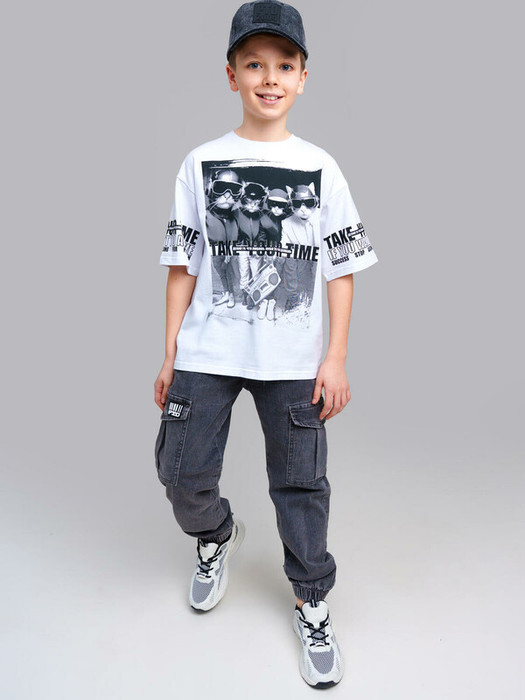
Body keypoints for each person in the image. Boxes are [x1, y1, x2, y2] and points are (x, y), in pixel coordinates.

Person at [153, 0, 378, 689]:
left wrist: (335, 357)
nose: (269, 78)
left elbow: (341, 270)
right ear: (232, 76)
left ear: (303, 77)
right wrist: (169, 352)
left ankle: (312, 600)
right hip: (207, 350)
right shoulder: (201, 163)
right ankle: (216, 534)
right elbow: (182, 264)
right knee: (179, 474)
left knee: (301, 486)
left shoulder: (321, 168)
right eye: (254, 64)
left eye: (284, 65)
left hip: (293, 359)